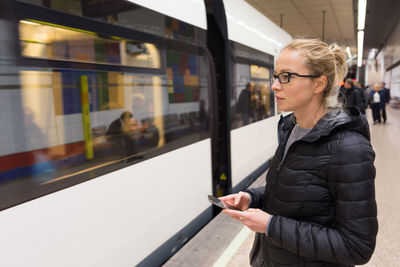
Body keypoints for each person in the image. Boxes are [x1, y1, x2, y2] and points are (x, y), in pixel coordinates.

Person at [220, 39, 378, 267]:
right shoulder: (292, 129)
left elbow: (357, 247)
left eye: (286, 77)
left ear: (318, 84)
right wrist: (251, 198)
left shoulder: (349, 149)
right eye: (275, 76)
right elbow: (296, 189)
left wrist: (271, 226)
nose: (274, 85)